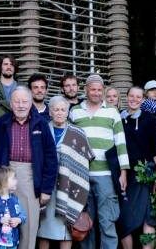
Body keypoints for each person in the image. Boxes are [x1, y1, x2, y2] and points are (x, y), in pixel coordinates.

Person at [0, 86, 58, 249]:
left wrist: (46, 189)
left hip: (31, 177)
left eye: (25, 101)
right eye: (17, 101)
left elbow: (51, 158)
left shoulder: (41, 124)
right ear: (11, 103)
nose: (21, 105)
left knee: (28, 225)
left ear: (31, 103)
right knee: (0, 223)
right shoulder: (2, 123)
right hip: (4, 176)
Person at [69, 74, 129, 249]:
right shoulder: (75, 112)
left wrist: (123, 172)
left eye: (99, 89)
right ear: (86, 90)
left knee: (107, 221)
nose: (96, 93)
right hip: (82, 174)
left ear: (103, 90)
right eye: (92, 89)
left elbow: (121, 143)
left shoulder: (112, 112)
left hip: (106, 175)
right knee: (85, 222)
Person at [37, 96, 93, 249]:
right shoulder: (42, 129)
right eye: (56, 109)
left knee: (66, 229)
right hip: (46, 186)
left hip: (70, 186)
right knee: (43, 229)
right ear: (50, 112)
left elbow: (84, 161)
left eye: (63, 110)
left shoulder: (78, 132)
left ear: (68, 112)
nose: (59, 113)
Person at [118, 87, 156, 249]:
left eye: (138, 97)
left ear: (143, 100)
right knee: (124, 216)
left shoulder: (149, 119)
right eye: (131, 96)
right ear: (127, 97)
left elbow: (155, 151)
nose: (134, 99)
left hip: (146, 172)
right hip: (124, 173)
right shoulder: (118, 118)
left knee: (148, 214)